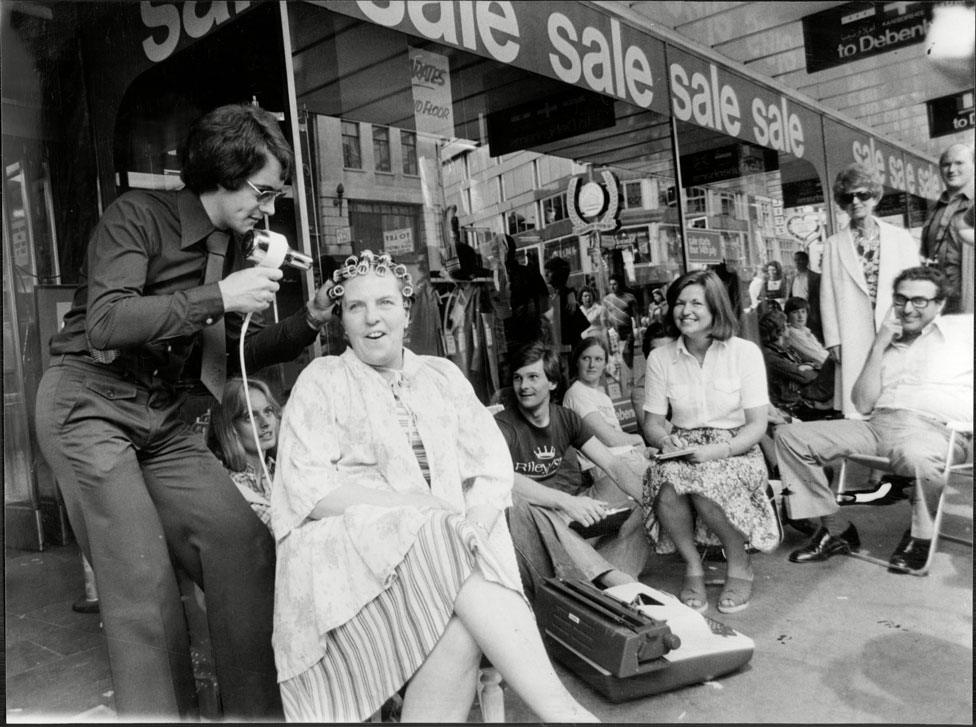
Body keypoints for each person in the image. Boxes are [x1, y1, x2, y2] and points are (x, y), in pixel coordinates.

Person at [33, 103, 334, 720]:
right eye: (264, 191)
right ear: (224, 170)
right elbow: (108, 321)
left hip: (160, 418)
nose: (270, 208)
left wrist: (311, 321)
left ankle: (256, 715)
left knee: (243, 544)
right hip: (87, 402)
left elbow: (228, 348)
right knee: (142, 583)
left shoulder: (226, 249)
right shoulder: (135, 217)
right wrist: (219, 295)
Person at [270, 251, 596, 723]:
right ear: (341, 320)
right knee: (443, 531)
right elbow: (311, 492)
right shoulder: (322, 380)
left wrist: (475, 527)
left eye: (385, 302)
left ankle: (562, 712)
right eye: (356, 307)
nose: (372, 318)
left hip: (451, 549)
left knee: (460, 626)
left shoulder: (441, 376)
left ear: (406, 311)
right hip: (352, 553)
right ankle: (563, 712)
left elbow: (489, 467)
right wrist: (415, 507)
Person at [775, 267, 973, 573]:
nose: (908, 308)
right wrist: (879, 345)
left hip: (935, 431)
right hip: (878, 425)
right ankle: (837, 530)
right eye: (901, 299)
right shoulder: (887, 342)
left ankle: (920, 535)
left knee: (916, 456)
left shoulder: (963, 333)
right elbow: (863, 402)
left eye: (919, 301)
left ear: (940, 304)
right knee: (791, 437)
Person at [641, 270, 779, 614]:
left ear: (715, 308)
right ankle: (693, 566)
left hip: (736, 447)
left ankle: (738, 564)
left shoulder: (744, 353)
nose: (685, 310)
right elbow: (653, 423)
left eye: (695, 303)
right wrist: (666, 441)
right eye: (679, 303)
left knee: (705, 486)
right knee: (667, 485)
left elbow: (757, 424)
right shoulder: (661, 358)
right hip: (683, 446)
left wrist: (721, 450)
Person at [495, 341, 647, 599]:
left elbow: (611, 464)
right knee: (527, 506)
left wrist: (650, 500)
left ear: (552, 383)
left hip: (565, 510)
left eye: (533, 377)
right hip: (527, 519)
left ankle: (611, 577)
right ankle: (614, 580)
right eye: (518, 378)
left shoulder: (566, 418)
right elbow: (505, 479)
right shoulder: (502, 425)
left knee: (639, 480)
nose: (524, 386)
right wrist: (566, 502)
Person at [820, 163, 919, 417]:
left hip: (894, 324)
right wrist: (833, 340)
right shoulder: (833, 244)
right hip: (853, 330)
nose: (855, 201)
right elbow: (827, 294)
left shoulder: (900, 237)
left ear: (875, 196)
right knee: (859, 404)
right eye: (848, 196)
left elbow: (917, 285)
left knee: (898, 394)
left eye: (862, 194)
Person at [208, 377, 282, 530]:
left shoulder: (283, 472)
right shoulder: (228, 487)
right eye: (250, 417)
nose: (265, 423)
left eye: (268, 411)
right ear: (229, 428)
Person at [920, 143, 973, 313]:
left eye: (959, 163)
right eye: (946, 164)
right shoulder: (934, 210)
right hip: (940, 304)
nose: (951, 169)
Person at [758, 311, 833, 420]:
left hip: (806, 395)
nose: (789, 327)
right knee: (834, 362)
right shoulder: (770, 356)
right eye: (787, 325)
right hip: (796, 404)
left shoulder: (786, 349)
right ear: (779, 331)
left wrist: (808, 366)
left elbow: (814, 363)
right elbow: (807, 377)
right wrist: (804, 369)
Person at [782, 297, 830, 368]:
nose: (800, 316)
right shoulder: (792, 333)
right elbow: (817, 356)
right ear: (788, 315)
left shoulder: (804, 330)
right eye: (795, 312)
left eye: (803, 312)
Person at [603, 274, 638, 368]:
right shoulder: (606, 300)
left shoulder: (629, 297)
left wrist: (637, 329)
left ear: (619, 284)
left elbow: (636, 315)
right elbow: (604, 318)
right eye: (610, 284)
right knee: (617, 360)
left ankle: (630, 377)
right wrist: (609, 330)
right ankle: (623, 380)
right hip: (614, 333)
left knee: (628, 355)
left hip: (627, 331)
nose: (612, 286)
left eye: (615, 284)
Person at [789, 250, 822, 340]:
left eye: (800, 260)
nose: (798, 262)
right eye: (795, 260)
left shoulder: (816, 277)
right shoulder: (792, 278)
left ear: (806, 261)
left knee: (814, 339)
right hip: (796, 316)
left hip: (812, 315)